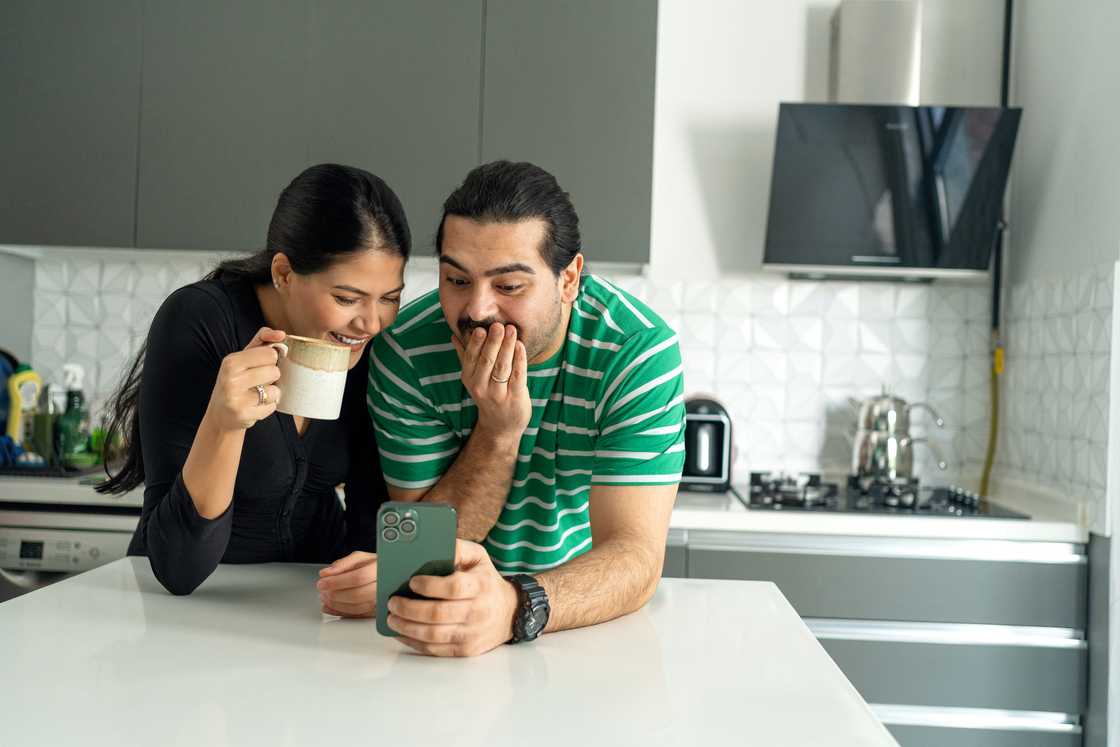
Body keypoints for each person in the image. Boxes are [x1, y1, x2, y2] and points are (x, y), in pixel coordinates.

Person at [323, 159, 684, 656]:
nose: (476, 310)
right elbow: (423, 551)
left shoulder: (636, 352)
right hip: (441, 618)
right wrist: (498, 432)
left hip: (580, 618)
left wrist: (514, 606)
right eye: (456, 280)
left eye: (509, 286)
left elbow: (634, 556)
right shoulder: (406, 350)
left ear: (569, 278)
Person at [98, 163, 410, 600]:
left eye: (390, 298)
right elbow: (177, 569)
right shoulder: (202, 323)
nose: (371, 322)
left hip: (310, 606)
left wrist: (380, 582)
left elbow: (370, 523)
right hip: (189, 612)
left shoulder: (371, 347)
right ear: (284, 273)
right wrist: (223, 425)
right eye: (346, 298)